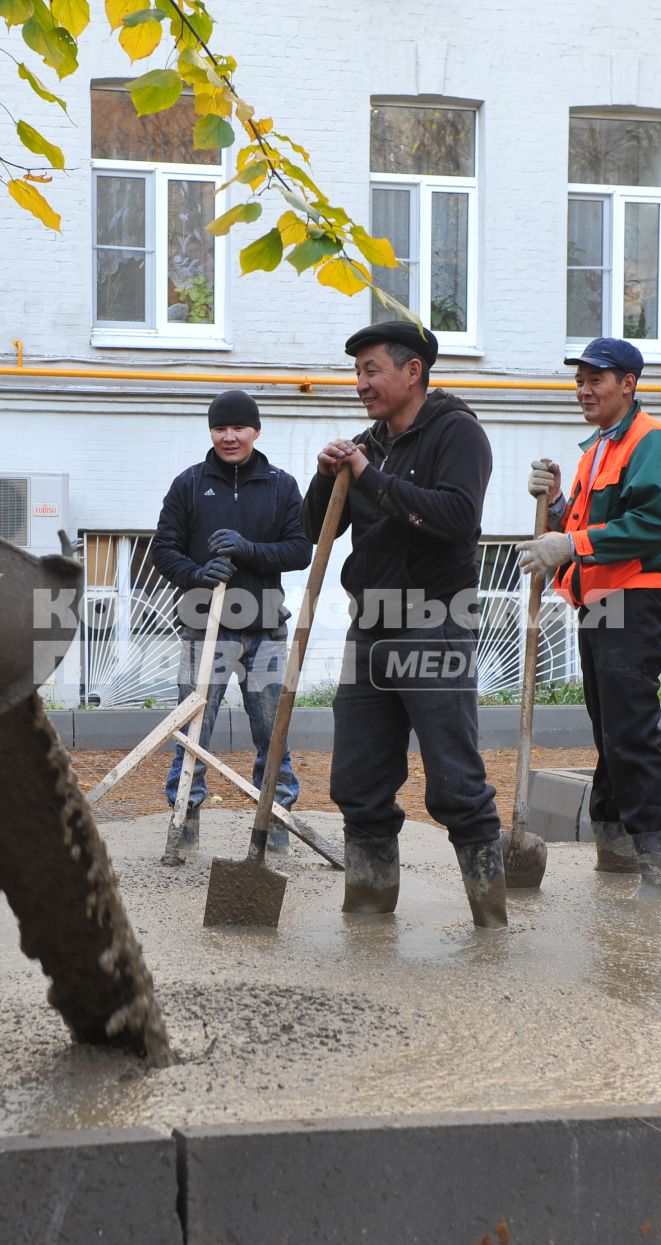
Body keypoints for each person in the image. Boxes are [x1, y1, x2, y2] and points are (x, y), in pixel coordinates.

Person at [309, 321, 504, 927]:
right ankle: (368, 911)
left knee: (454, 782)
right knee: (358, 779)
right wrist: (327, 476)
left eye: (372, 370)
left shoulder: (458, 433)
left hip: (434, 624)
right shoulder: (374, 442)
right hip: (369, 630)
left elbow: (455, 515)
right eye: (357, 372)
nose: (361, 383)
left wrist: (370, 476)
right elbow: (315, 530)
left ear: (412, 370)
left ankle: (490, 918)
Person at [516, 336, 661, 894]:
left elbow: (650, 526)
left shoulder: (650, 442)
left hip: (633, 602)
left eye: (596, 379)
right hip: (600, 603)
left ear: (629, 384)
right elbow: (591, 523)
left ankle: (660, 863)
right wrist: (560, 505)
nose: (583, 390)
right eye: (579, 381)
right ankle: (615, 849)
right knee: (607, 729)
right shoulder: (598, 450)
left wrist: (569, 545)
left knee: (630, 732)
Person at [150, 390, 313, 858]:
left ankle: (275, 822)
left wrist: (248, 550)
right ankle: (185, 821)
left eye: (239, 427)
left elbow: (299, 550)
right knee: (193, 731)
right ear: (211, 432)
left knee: (271, 733)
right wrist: (197, 575)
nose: (229, 436)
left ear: (256, 431)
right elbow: (164, 550)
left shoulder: (281, 486)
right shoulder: (188, 484)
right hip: (205, 631)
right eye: (220, 428)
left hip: (264, 631)